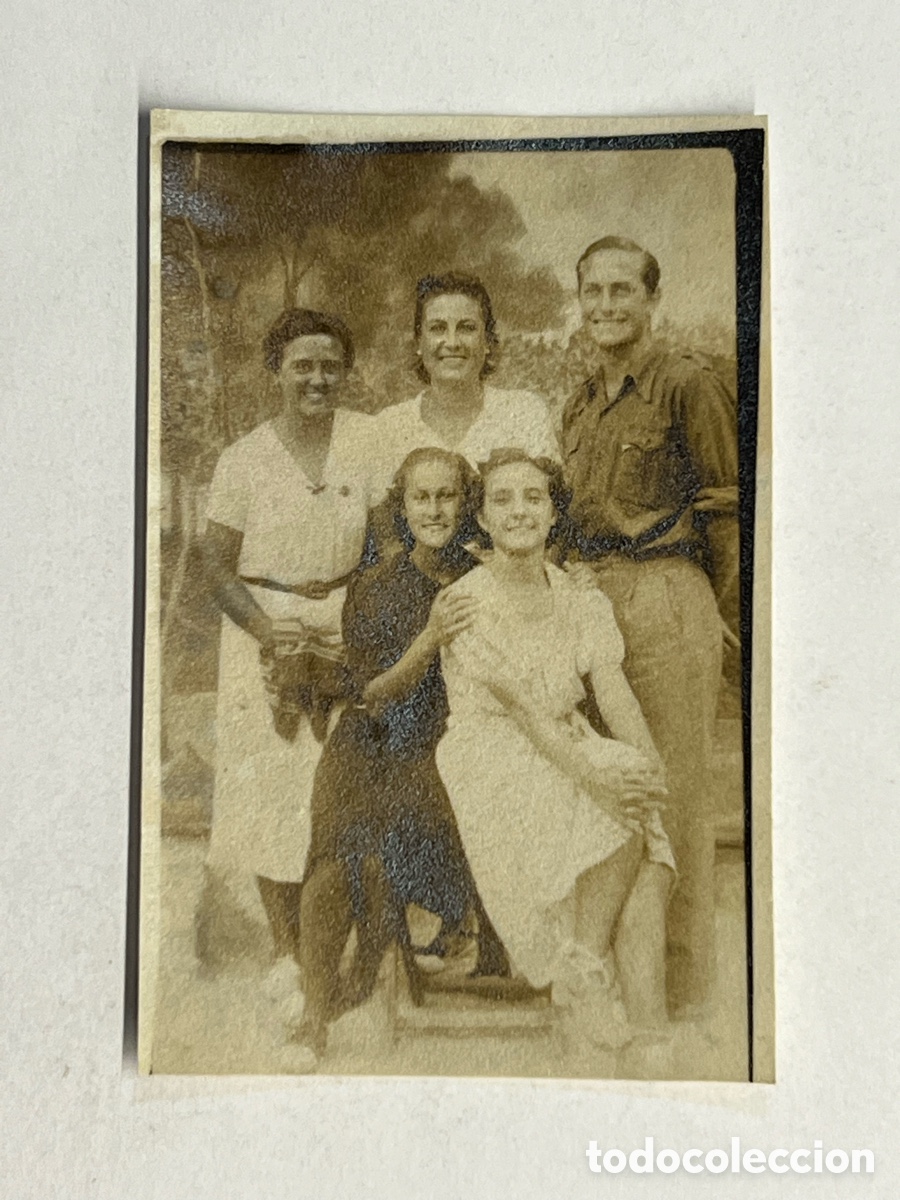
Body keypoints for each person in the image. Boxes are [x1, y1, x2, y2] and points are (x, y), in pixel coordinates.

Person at [436, 450, 675, 1048]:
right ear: (483, 519)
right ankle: (589, 978)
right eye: (502, 500)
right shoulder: (469, 603)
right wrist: (599, 777)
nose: (520, 511)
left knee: (638, 800)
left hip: (561, 737)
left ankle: (608, 994)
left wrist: (651, 765)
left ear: (553, 511)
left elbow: (612, 688)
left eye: (534, 497)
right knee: (613, 792)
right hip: (493, 750)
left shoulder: (578, 596)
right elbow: (520, 712)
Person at [560, 236, 739, 1016]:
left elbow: (729, 515)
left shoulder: (687, 384)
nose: (606, 305)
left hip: (666, 597)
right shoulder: (578, 401)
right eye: (593, 291)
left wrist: (710, 619)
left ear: (650, 300)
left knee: (674, 795)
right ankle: (621, 986)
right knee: (611, 792)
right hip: (589, 605)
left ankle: (683, 994)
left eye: (622, 290)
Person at [293, 448, 508, 1058]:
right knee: (340, 847)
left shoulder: (488, 578)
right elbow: (374, 695)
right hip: (381, 735)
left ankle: (362, 975)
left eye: (447, 496)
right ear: (402, 505)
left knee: (380, 845)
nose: (435, 509)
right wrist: (431, 639)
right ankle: (316, 1014)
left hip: (454, 745)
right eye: (422, 497)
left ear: (467, 503)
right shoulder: (377, 584)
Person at [197, 308, 379, 998]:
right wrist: (267, 629)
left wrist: (358, 617)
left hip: (341, 623)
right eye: (303, 364)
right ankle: (285, 951)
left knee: (333, 785)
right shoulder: (243, 458)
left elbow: (388, 536)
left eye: (331, 365)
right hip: (261, 628)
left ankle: (336, 945)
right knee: (269, 792)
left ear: (345, 372)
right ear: (276, 370)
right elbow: (213, 563)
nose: (318, 378)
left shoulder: (365, 441)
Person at [372, 273, 560, 489]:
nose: (452, 342)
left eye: (467, 328)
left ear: (487, 341)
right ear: (419, 342)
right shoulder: (388, 427)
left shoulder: (526, 413)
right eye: (437, 328)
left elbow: (550, 506)